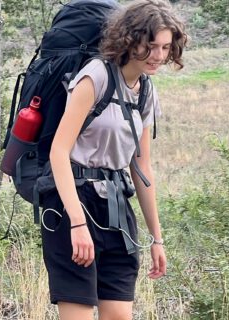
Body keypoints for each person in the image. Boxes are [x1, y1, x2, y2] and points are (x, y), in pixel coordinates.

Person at [42, 0, 188, 318]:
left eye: (165, 47)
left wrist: (156, 238)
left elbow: (142, 168)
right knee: (78, 312)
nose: (159, 56)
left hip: (116, 206)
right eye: (151, 46)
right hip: (72, 201)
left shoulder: (146, 92)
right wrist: (77, 222)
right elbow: (58, 151)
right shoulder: (95, 76)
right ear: (129, 38)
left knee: (119, 314)